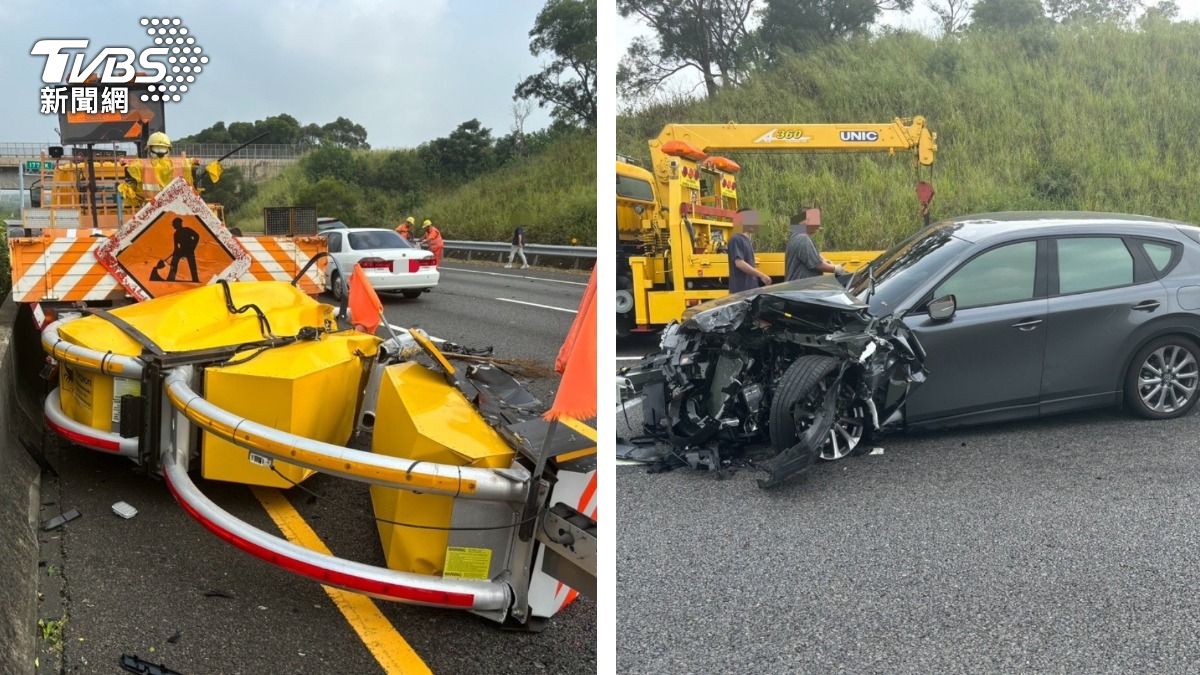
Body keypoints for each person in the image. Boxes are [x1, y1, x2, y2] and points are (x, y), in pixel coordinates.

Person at [785, 208, 845, 282]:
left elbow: (810, 257)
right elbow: (817, 265)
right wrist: (836, 268)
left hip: (797, 287)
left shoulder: (795, 236)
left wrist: (823, 260)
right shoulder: (803, 239)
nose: (817, 227)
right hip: (802, 289)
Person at [727, 208, 772, 293]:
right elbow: (739, 263)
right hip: (740, 293)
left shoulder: (746, 240)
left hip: (748, 291)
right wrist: (761, 275)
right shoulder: (736, 239)